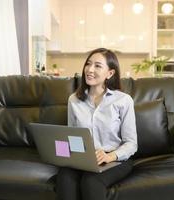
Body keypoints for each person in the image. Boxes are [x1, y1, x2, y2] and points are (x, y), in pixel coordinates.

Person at [56, 48, 138, 200]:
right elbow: (72, 136)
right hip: (83, 158)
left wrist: (110, 156)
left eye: (98, 66)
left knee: (91, 181)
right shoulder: (74, 100)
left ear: (110, 73)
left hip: (115, 159)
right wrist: (63, 152)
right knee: (64, 178)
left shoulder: (123, 101)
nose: (90, 69)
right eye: (88, 64)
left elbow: (132, 143)